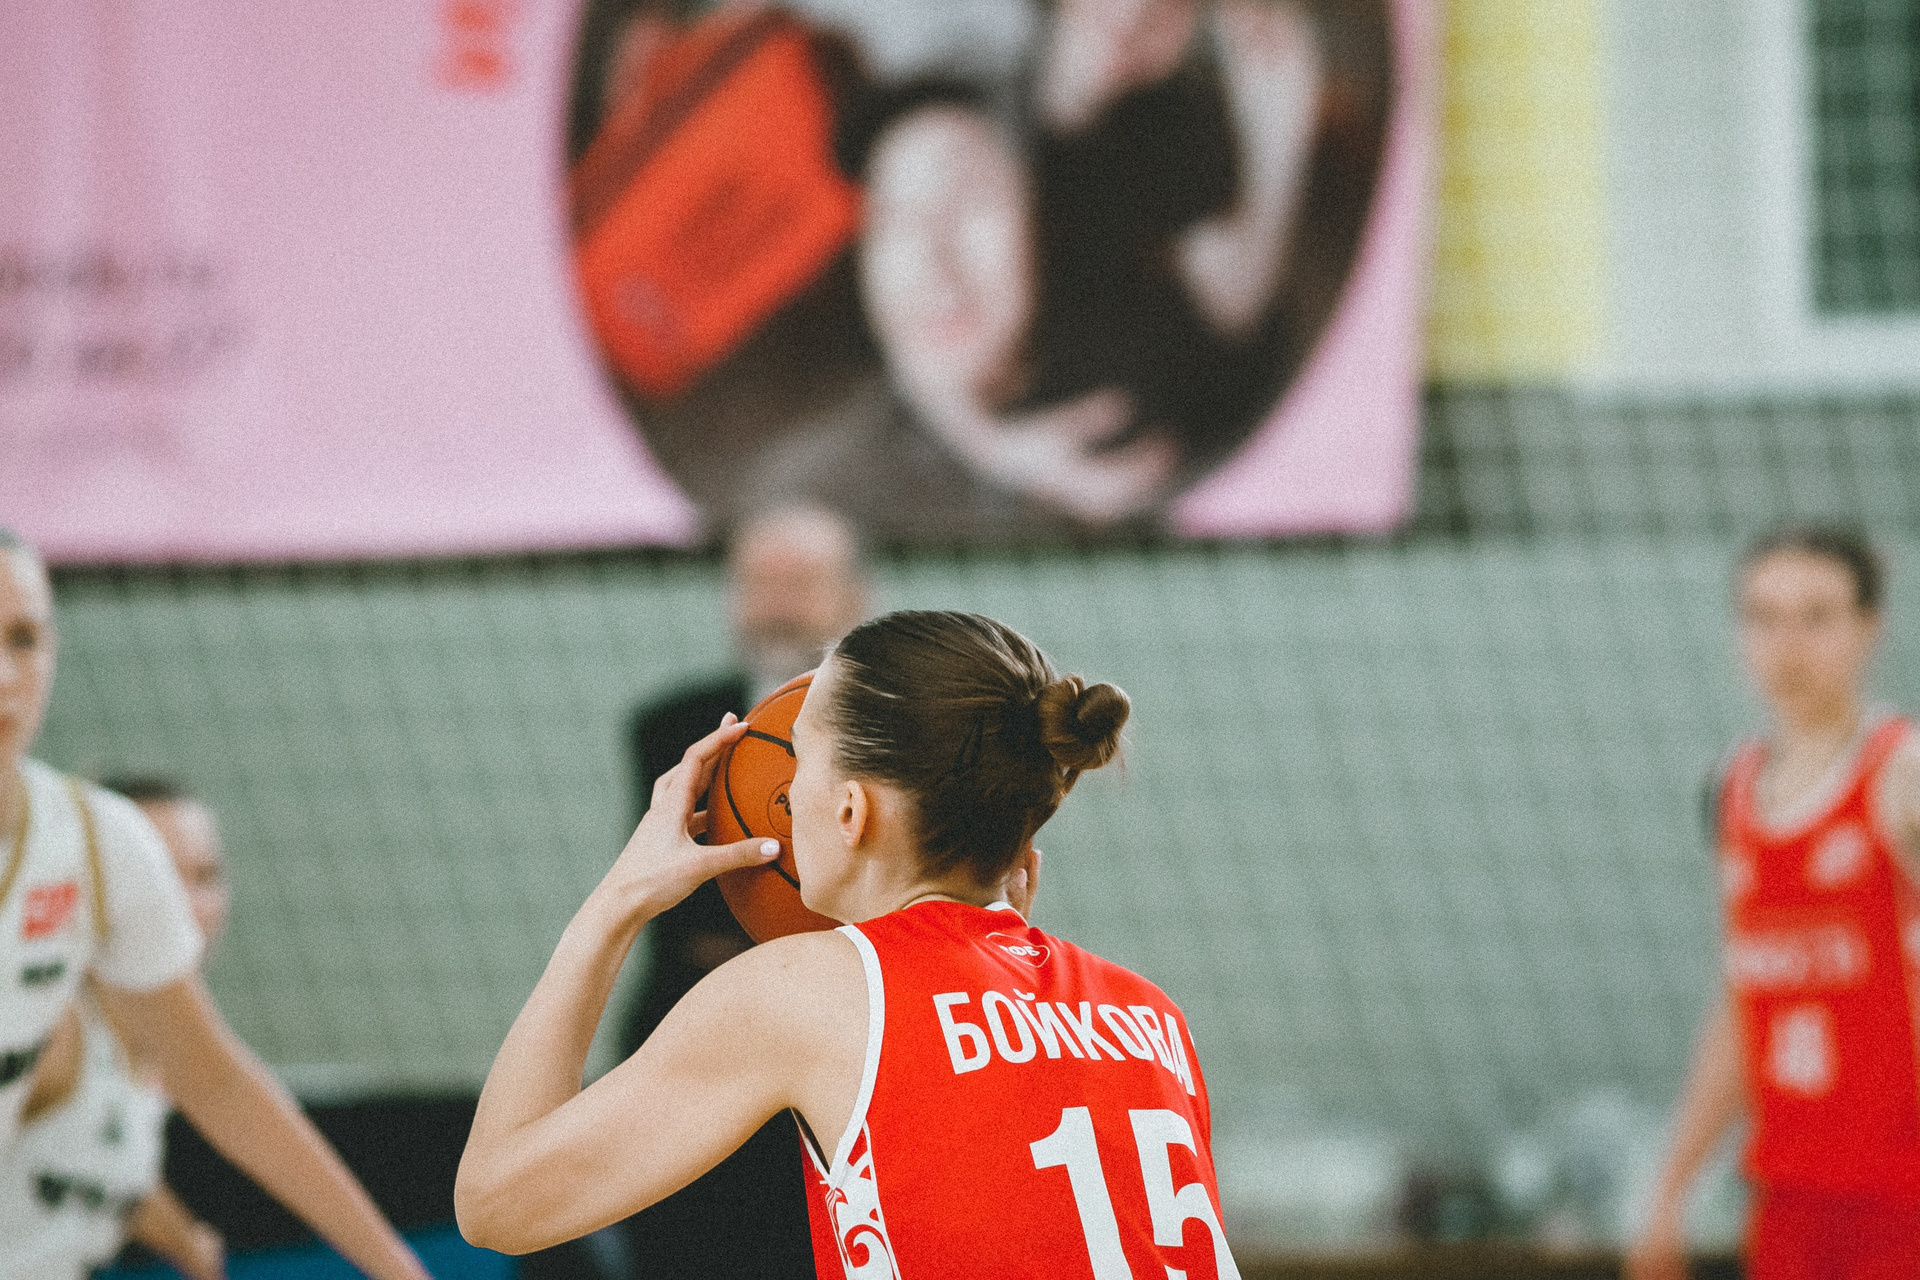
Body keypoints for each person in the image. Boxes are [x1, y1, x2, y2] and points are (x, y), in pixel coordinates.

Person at [457, 609, 1242, 1279]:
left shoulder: (799, 991)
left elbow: (496, 1204)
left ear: (850, 812)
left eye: (796, 754)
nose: (783, 790)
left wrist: (615, 904)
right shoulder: (1151, 1014)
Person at [0, 528, 430, 1280]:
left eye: (24, 638)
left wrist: (395, 1268)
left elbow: (217, 1081)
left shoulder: (96, 840)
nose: (5, 673)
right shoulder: (73, 1042)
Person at [1629, 526, 1920, 1280]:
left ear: (1869, 627)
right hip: (1789, 1194)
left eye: (1816, 616)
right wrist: (1671, 1187)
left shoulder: (1901, 773)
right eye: (1764, 617)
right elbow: (1743, 1004)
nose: (1787, 646)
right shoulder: (1731, 787)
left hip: (1902, 1193)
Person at [606, 504, 867, 1278]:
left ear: (855, 595)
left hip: (845, 1029)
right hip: (693, 1025)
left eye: (801, 582)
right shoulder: (672, 727)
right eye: (759, 583)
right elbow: (673, 903)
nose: (778, 604)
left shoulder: (896, 729)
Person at [2, 777, 229, 1280]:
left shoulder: (148, 1046)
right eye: (160, 875)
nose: (189, 905)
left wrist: (185, 1240)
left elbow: (90, 1167)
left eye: (205, 876)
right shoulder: (53, 1033)